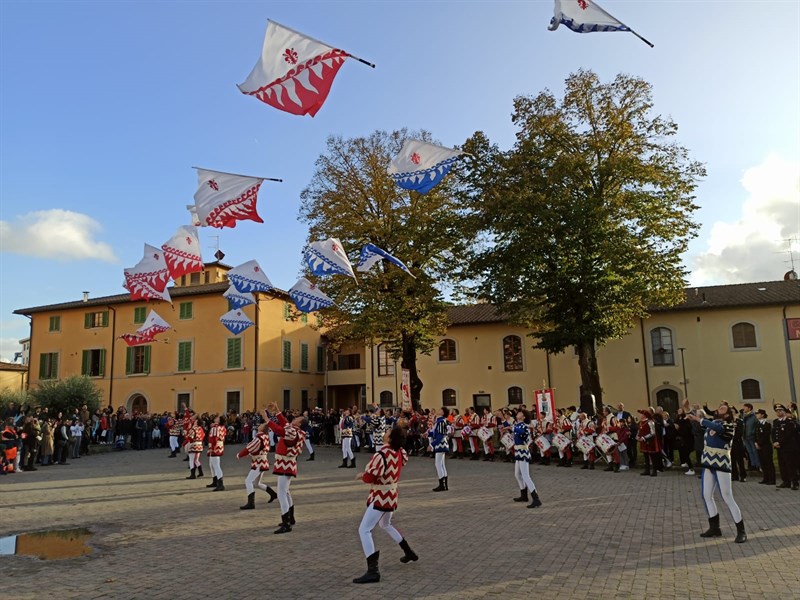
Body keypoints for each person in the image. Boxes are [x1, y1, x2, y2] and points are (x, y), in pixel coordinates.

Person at [352, 427, 417, 584]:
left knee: (364, 529)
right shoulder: (400, 451)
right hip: (392, 494)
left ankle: (373, 570)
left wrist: (362, 475)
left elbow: (371, 476)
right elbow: (403, 462)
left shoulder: (381, 454)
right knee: (385, 524)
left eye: (387, 432)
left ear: (390, 438)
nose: (384, 433)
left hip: (381, 496)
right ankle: (409, 552)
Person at [687, 404, 746, 543]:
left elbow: (718, 429)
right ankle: (715, 528)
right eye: (719, 407)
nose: (720, 408)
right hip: (708, 462)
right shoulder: (711, 423)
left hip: (721, 463)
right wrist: (689, 411)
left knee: (727, 496)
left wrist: (699, 419)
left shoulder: (730, 425)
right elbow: (699, 424)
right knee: (707, 495)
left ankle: (741, 530)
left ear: (728, 414)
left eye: (723, 408)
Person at [263, 404, 307, 534]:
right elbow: (285, 425)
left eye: (297, 419)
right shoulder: (297, 431)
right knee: (286, 491)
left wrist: (267, 419)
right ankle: (290, 518)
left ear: (299, 424)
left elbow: (280, 430)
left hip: (285, 463)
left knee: (282, 493)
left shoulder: (294, 431)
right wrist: (277, 412)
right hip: (288, 463)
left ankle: (286, 523)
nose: (294, 419)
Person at [501, 410, 542, 508]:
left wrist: (511, 427)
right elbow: (512, 429)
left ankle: (536, 499)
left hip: (523, 451)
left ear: (523, 417)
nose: (517, 414)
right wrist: (503, 420)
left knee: (525, 476)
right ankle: (524, 496)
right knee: (517, 474)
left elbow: (523, 433)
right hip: (518, 451)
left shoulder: (524, 426)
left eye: (519, 413)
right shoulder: (518, 425)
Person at [236, 422, 277, 509]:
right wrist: (251, 455)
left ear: (262, 429)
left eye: (261, 425)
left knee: (248, 481)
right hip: (262, 461)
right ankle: (273, 494)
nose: (260, 425)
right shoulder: (265, 437)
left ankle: (251, 503)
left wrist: (240, 454)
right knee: (257, 483)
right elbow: (260, 449)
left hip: (259, 462)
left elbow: (249, 447)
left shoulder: (259, 438)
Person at [772, 403, 799, 490]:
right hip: (779, 447)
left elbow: (788, 434)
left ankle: (795, 482)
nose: (778, 412)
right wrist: (774, 442)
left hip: (788, 447)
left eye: (780, 410)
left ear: (784, 411)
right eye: (777, 411)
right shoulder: (776, 422)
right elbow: (774, 433)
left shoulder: (789, 421)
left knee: (790, 465)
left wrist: (779, 442)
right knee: (782, 465)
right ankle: (786, 481)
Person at [429, 407, 449, 492]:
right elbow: (435, 432)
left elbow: (440, 435)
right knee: (442, 464)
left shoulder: (441, 422)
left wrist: (432, 444)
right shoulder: (439, 421)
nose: (438, 411)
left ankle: (442, 484)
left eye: (440, 410)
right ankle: (444, 484)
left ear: (443, 413)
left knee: (438, 464)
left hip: (440, 444)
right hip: (441, 444)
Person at [636, 409, 661, 477]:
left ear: (645, 415)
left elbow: (652, 433)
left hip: (650, 442)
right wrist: (637, 437)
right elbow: (639, 431)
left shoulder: (650, 422)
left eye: (642, 414)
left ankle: (654, 470)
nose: (640, 415)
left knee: (652, 457)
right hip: (643, 442)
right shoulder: (641, 422)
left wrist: (644, 438)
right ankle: (647, 470)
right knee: (646, 456)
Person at [754, 409, 775, 486]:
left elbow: (766, 436)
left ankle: (772, 479)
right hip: (759, 446)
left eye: (758, 414)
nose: (757, 415)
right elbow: (756, 435)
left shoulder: (767, 424)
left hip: (766, 446)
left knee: (768, 462)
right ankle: (765, 478)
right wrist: (756, 442)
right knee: (763, 462)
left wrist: (759, 443)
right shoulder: (757, 424)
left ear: (762, 415)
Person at [206, 414, 226, 491]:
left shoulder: (215, 428)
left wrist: (211, 448)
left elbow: (214, 439)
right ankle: (215, 481)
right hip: (219, 446)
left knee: (216, 465)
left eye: (216, 418)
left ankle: (220, 484)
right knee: (212, 465)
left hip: (215, 447)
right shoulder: (222, 427)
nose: (215, 418)